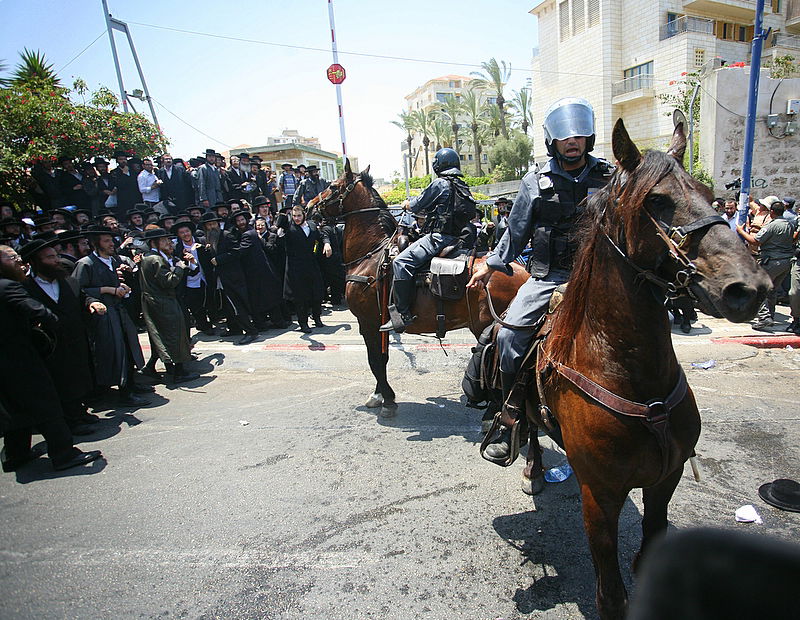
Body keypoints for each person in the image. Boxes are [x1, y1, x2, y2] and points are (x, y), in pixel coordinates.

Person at [467, 97, 614, 464]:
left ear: (588, 137)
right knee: (509, 337)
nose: (573, 141)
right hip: (550, 277)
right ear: (553, 140)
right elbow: (515, 233)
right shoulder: (535, 181)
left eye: (579, 134)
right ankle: (508, 416)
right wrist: (491, 263)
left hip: (600, 277)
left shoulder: (610, 177)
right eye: (566, 136)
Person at [0, 244, 102, 472]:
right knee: (47, 406)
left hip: (5, 362)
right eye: (12, 258)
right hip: (21, 358)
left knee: (16, 407)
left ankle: (16, 454)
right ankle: (64, 454)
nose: (18, 261)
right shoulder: (10, 287)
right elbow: (39, 311)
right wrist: (52, 323)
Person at [380, 147, 477, 332]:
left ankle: (402, 314)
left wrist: (406, 204)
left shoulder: (440, 183)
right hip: (457, 238)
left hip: (439, 238)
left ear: (438, 166)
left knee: (401, 262)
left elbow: (417, 205)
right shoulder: (462, 186)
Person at [21, 239, 103, 435]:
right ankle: (71, 419)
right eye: (50, 257)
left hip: (75, 337)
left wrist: (92, 303)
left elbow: (82, 296)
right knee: (62, 380)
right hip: (51, 344)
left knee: (79, 375)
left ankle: (80, 411)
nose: (56, 260)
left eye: (56, 255)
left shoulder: (67, 280)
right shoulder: (25, 287)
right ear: (35, 262)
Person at [73, 226, 150, 406]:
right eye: (106, 241)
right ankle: (123, 392)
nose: (111, 244)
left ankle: (131, 383)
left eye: (111, 240)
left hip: (119, 310)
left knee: (129, 346)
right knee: (114, 350)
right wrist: (107, 290)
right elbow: (78, 290)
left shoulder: (113, 261)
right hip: (103, 315)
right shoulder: (86, 264)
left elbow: (118, 282)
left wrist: (123, 287)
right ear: (96, 243)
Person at [138, 228, 199, 383]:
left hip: (159, 302)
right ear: (154, 242)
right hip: (163, 302)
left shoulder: (155, 257)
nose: (169, 243)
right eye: (164, 240)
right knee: (175, 334)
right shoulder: (155, 259)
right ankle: (178, 372)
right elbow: (168, 282)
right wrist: (179, 267)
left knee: (163, 335)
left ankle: (159, 368)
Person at [737, 200, 796, 331]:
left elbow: (755, 241)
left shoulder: (772, 225)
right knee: (772, 289)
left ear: (772, 212)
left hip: (772, 261)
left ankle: (764, 317)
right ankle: (771, 315)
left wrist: (741, 231)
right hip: (786, 261)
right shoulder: (789, 224)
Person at [276, 206, 327, 333]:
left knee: (317, 293)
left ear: (304, 214)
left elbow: (321, 236)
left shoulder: (312, 225)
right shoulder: (289, 228)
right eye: (294, 216)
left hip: (311, 265)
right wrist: (282, 219)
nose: (297, 218)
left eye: (299, 215)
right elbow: (280, 234)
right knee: (300, 298)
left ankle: (317, 318)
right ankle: (303, 323)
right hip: (295, 268)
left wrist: (327, 243)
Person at [172, 221, 213, 335]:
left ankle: (211, 320)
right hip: (189, 280)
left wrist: (205, 249)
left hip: (205, 276)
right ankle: (203, 325)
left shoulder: (202, 241)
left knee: (209, 299)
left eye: (187, 231)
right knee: (195, 304)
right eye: (182, 233)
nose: (185, 234)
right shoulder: (177, 248)